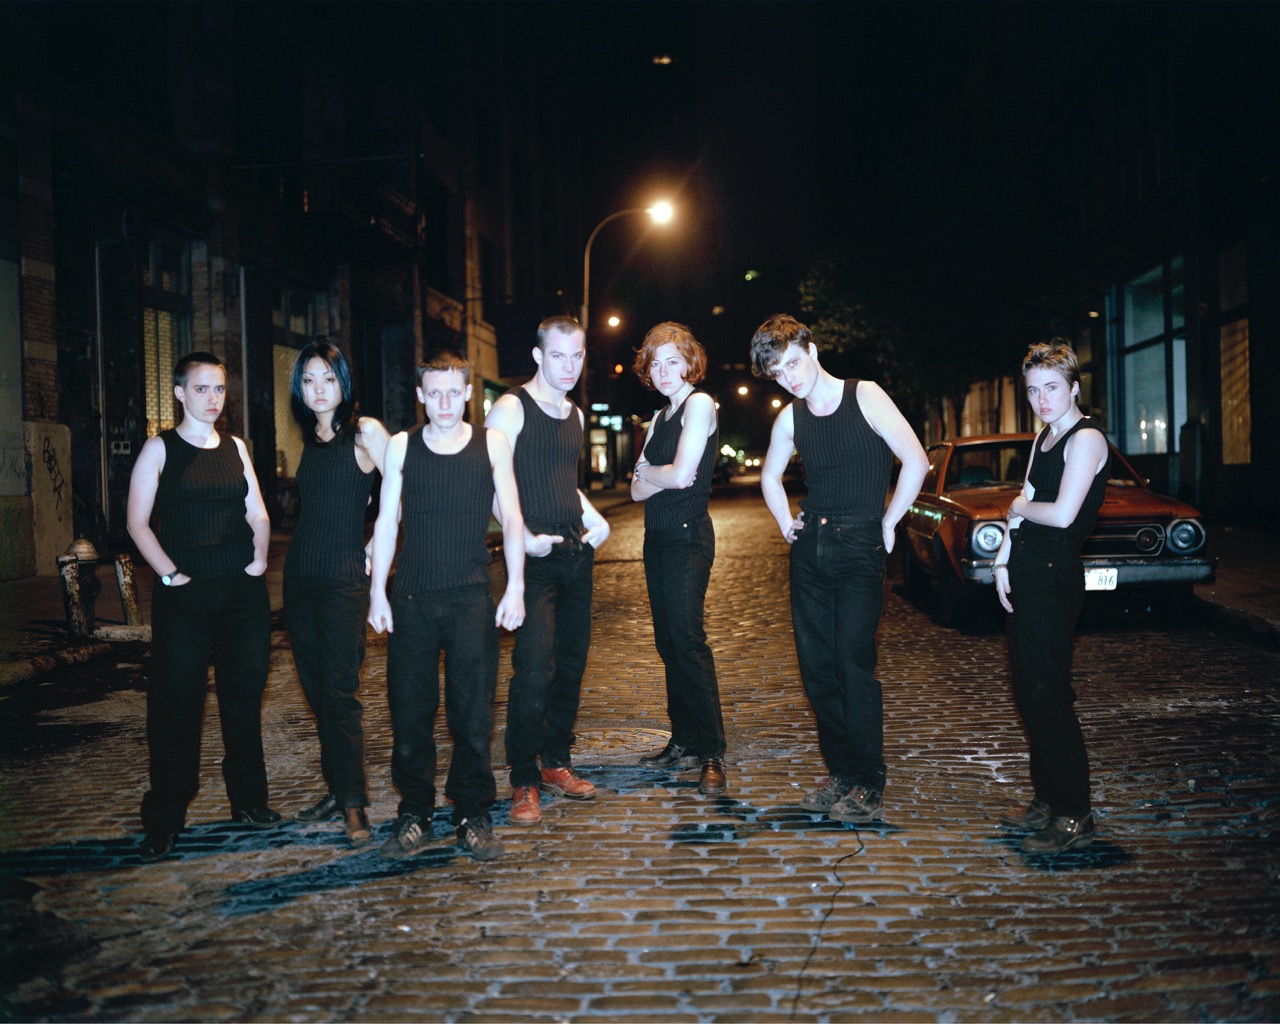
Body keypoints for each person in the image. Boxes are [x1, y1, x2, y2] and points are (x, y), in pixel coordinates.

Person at [752, 314, 929, 823]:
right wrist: (785, 521)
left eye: (792, 364)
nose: (788, 378)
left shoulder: (864, 395)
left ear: (811, 349)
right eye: (778, 373)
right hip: (811, 548)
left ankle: (868, 781)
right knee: (817, 669)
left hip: (858, 546)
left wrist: (890, 521)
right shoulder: (790, 418)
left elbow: (916, 460)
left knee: (853, 664)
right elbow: (769, 475)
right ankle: (841, 772)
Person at [368, 349, 525, 862]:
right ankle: (415, 811)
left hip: (471, 598)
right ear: (420, 395)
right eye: (433, 393)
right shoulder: (401, 446)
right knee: (410, 714)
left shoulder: (491, 444)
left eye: (453, 393)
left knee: (473, 716)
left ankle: (471, 812)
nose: (443, 403)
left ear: (468, 394)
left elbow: (513, 519)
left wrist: (516, 587)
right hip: (412, 598)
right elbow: (386, 521)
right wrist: (378, 592)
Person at [126, 351, 281, 861]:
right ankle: (165, 818)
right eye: (201, 389)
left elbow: (257, 513)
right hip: (185, 592)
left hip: (241, 590)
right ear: (179, 393)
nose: (212, 399)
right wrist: (169, 573)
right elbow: (137, 523)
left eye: (218, 389)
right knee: (176, 703)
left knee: (244, 696)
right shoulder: (160, 448)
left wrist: (259, 558)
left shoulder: (236, 447)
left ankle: (249, 801)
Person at [484, 315, 611, 825]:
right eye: (558, 355)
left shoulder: (575, 414)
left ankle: (556, 761)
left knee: (570, 665)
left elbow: (562, 480)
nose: (569, 366)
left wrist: (595, 518)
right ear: (538, 355)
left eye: (577, 356)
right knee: (534, 670)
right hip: (532, 556)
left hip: (576, 553)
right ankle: (523, 779)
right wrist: (521, 537)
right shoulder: (511, 408)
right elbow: (489, 479)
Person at [993, 340, 1109, 854]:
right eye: (1033, 391)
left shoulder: (1086, 439)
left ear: (1074, 388)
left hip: (1054, 573)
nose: (1041, 399)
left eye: (1052, 388)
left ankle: (1074, 813)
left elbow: (1060, 514)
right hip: (1025, 567)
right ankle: (1047, 798)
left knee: (1049, 693)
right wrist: (1001, 561)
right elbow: (1023, 504)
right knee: (1028, 690)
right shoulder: (1045, 436)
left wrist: (1019, 506)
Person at [284, 342, 390, 847]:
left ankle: (353, 805)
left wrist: (373, 548)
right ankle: (336, 788)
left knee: (341, 695)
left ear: (343, 381)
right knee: (317, 693)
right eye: (308, 380)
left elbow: (404, 492)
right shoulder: (310, 437)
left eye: (328, 378)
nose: (318, 389)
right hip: (300, 579)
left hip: (344, 581)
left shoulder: (364, 432)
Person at [630, 322, 728, 796]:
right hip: (657, 538)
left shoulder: (699, 404)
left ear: (690, 363)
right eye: (656, 363)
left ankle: (712, 752)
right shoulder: (657, 419)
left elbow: (684, 475)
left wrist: (652, 472)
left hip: (689, 536)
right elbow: (634, 490)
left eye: (673, 361)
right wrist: (655, 474)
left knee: (688, 641)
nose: (664, 370)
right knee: (668, 643)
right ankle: (683, 739)